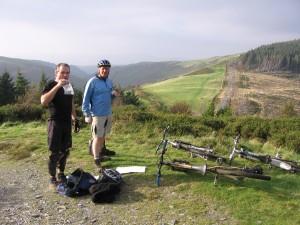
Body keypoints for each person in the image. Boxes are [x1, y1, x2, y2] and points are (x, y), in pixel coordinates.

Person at [41, 63, 79, 190]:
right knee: (54, 152)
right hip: (55, 122)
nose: (65, 75)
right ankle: (52, 177)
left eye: (67, 72)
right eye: (62, 72)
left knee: (65, 150)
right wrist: (57, 86)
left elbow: (71, 102)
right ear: (56, 72)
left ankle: (61, 173)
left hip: (66, 123)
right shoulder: (51, 84)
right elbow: (44, 101)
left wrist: (75, 118)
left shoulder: (69, 85)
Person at [82, 59, 120, 169]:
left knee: (103, 136)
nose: (105, 70)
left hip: (108, 113)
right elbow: (86, 99)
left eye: (107, 68)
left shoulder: (109, 82)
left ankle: (99, 153)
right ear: (99, 69)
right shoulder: (92, 82)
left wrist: (113, 95)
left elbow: (108, 96)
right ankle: (96, 158)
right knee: (98, 137)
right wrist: (86, 114)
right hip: (97, 114)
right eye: (103, 68)